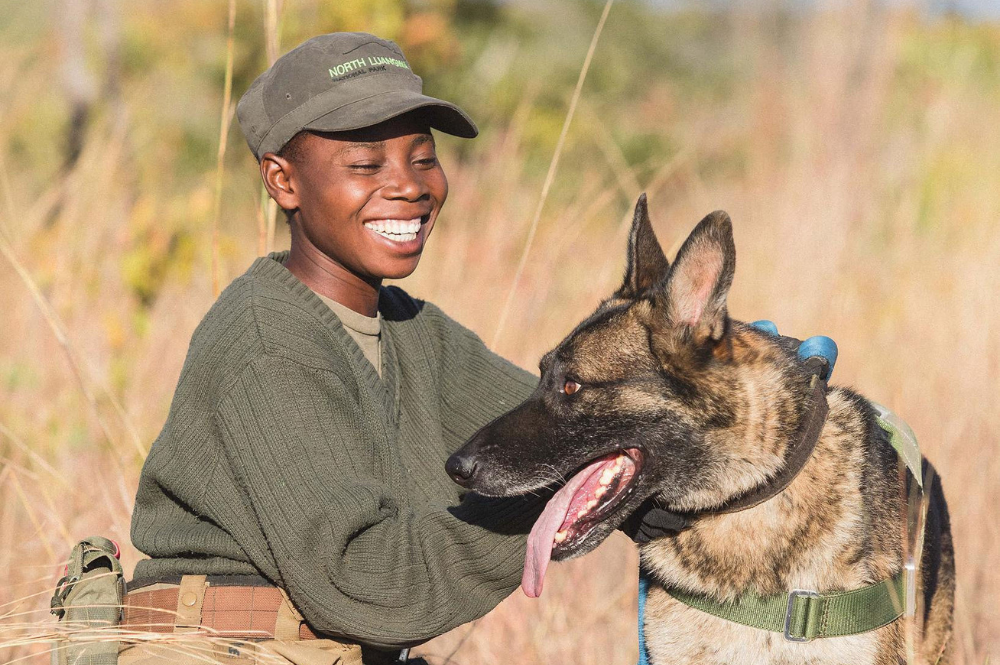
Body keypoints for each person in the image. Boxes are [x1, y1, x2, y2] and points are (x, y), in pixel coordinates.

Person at [121, 32, 672, 665]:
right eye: (365, 166)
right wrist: (573, 499)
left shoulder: (412, 330)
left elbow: (566, 431)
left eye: (423, 158)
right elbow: (368, 583)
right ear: (283, 181)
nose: (408, 187)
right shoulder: (264, 341)